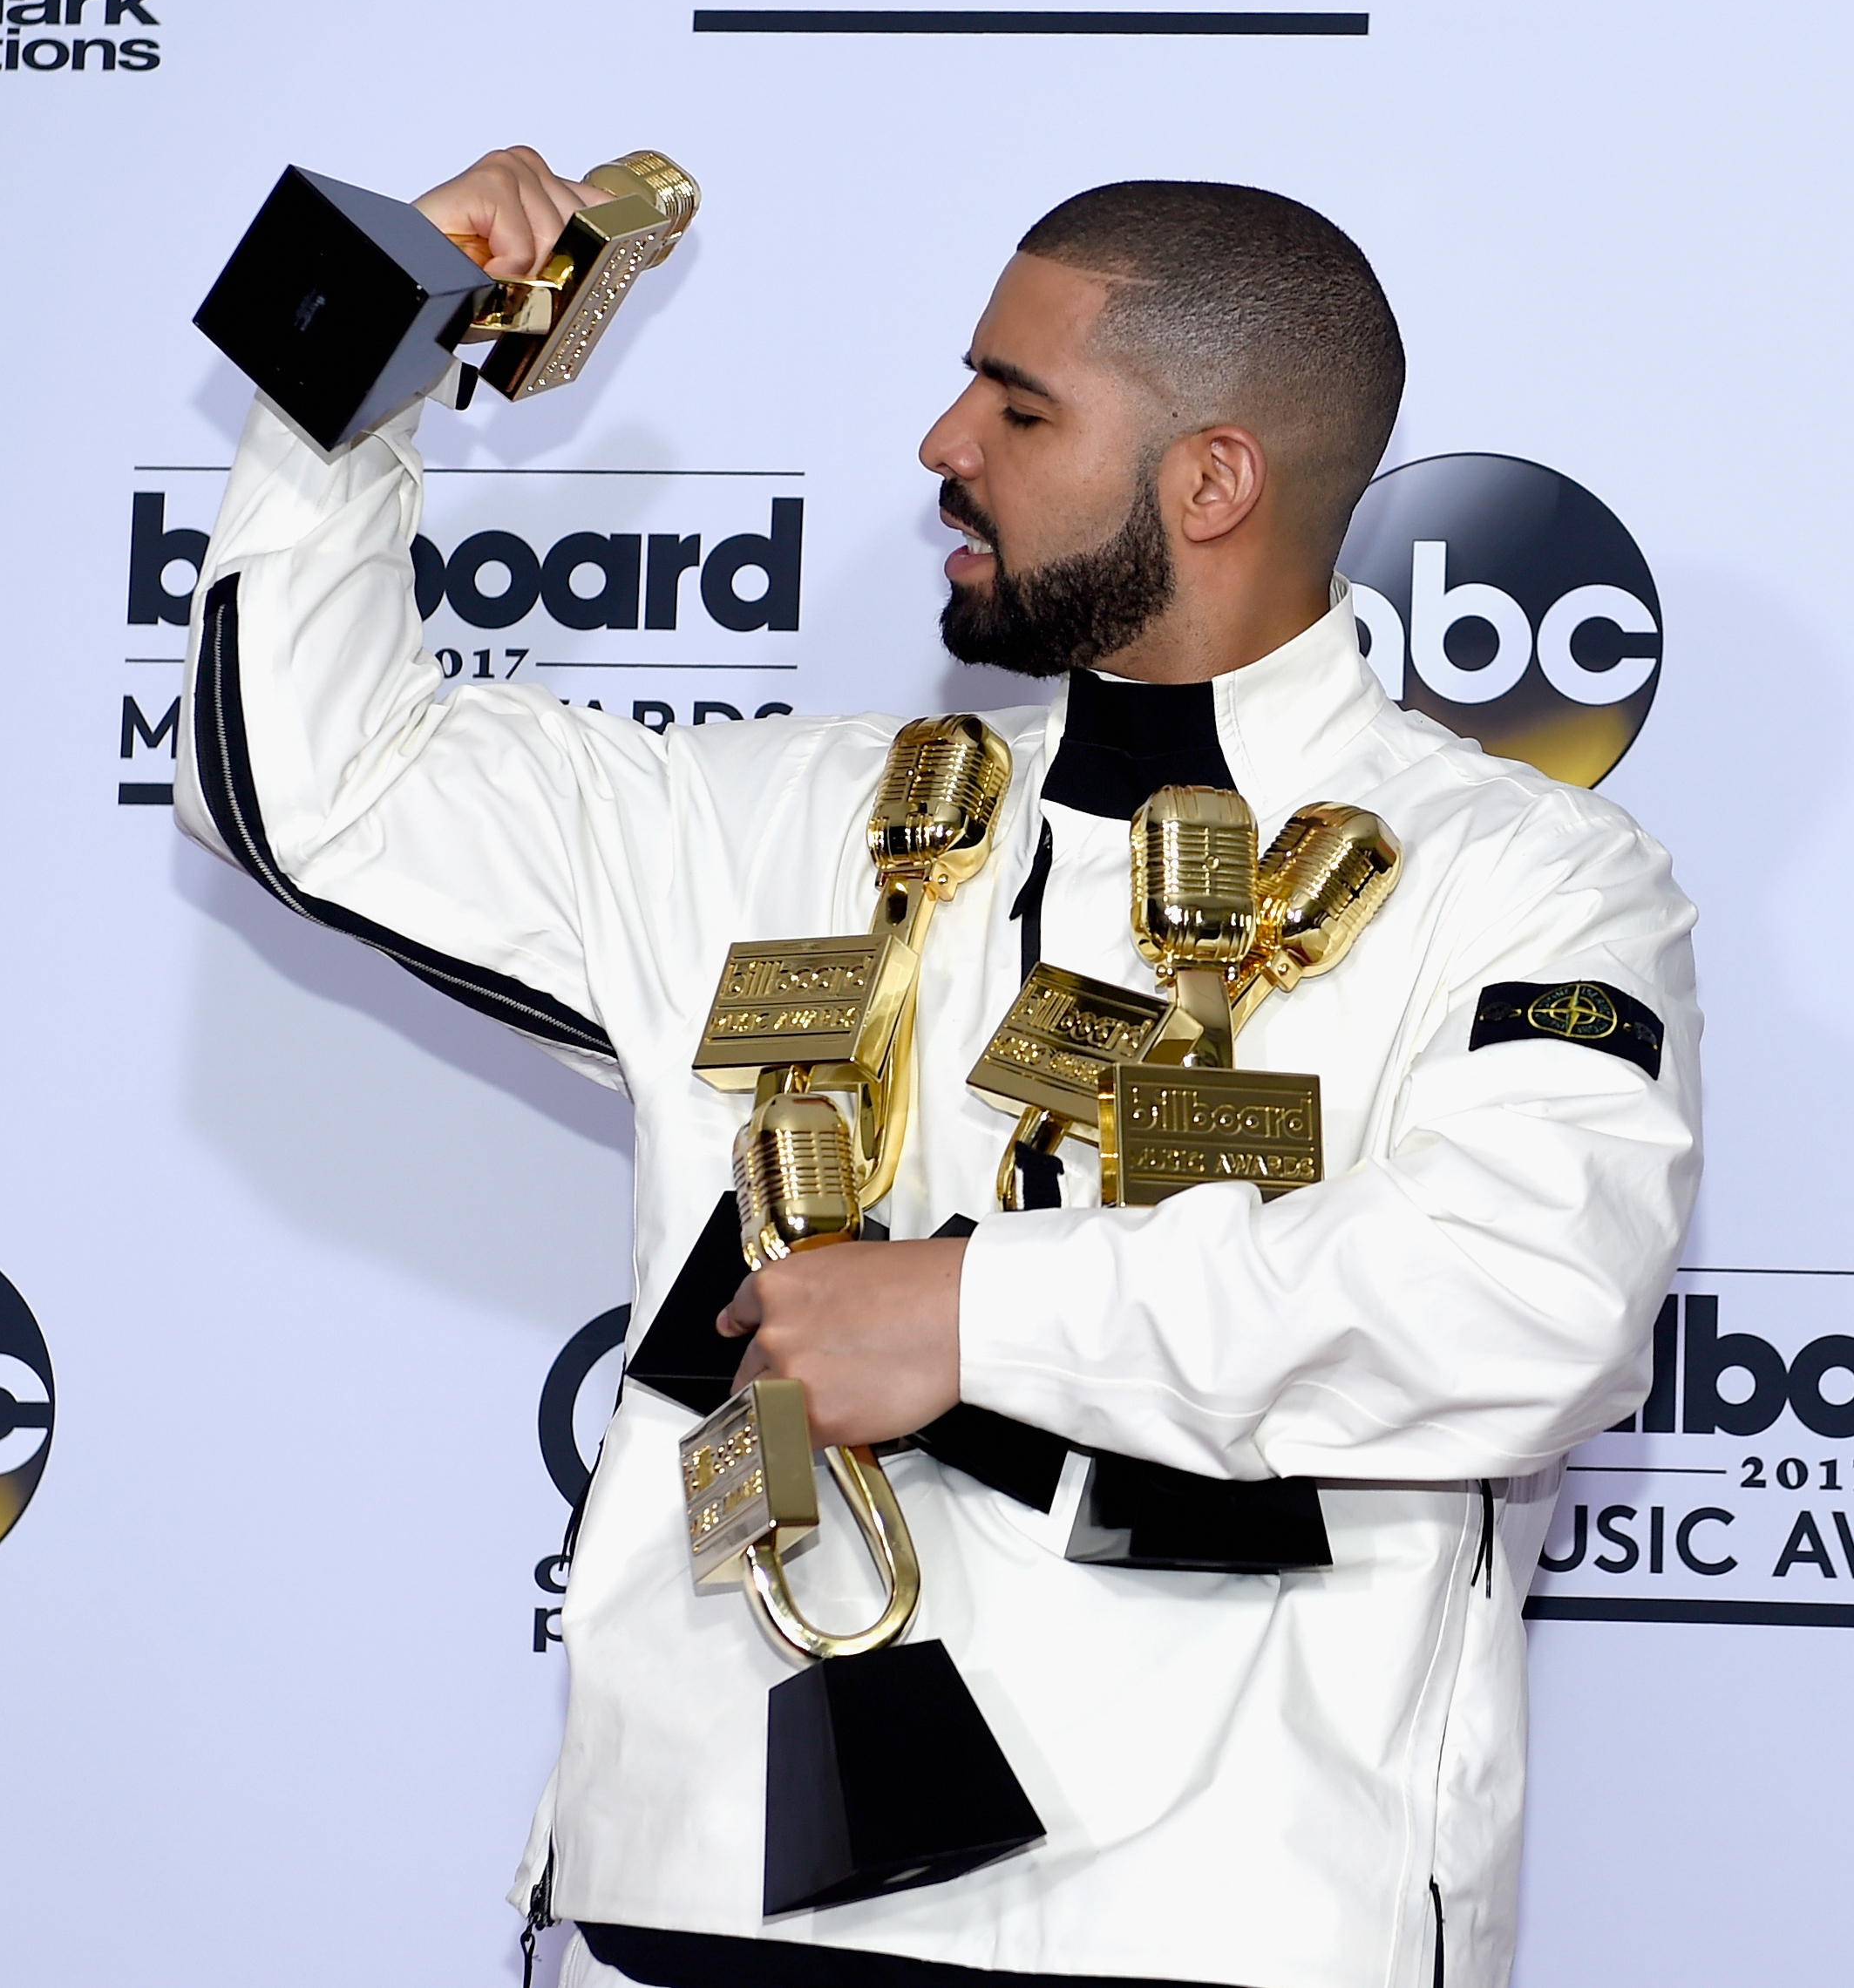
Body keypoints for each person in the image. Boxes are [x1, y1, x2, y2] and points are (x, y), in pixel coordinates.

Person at [175, 146, 1701, 1988]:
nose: (940, 442)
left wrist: (972, 1319)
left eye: (1017, 405)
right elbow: (318, 790)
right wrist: (370, 328)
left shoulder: (1521, 881)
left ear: (1211, 480)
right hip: (707, 1913)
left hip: (1209, 1932)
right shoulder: (779, 819)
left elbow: (1529, 1298)